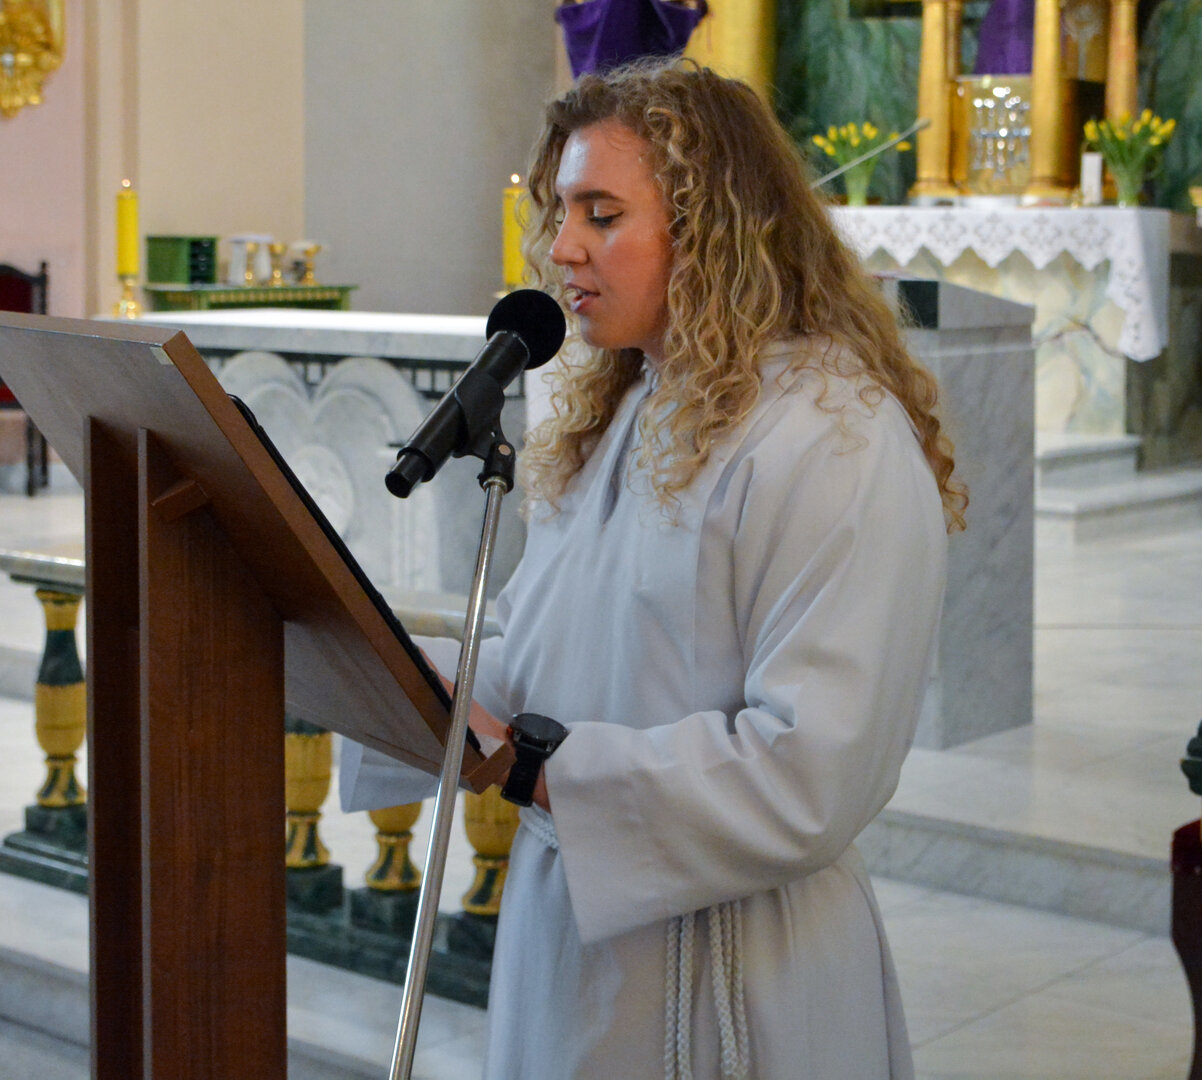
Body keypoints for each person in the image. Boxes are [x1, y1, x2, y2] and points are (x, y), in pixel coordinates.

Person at [341, 60, 965, 1080]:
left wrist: (543, 770)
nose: (561, 247)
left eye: (601, 214)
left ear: (715, 226)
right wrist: (367, 663)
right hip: (571, 934)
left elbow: (813, 770)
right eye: (560, 213)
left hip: (734, 973)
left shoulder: (831, 434)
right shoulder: (625, 411)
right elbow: (542, 663)